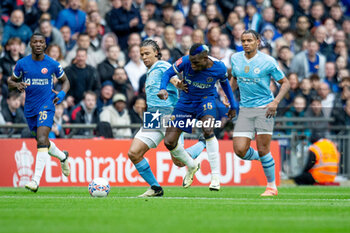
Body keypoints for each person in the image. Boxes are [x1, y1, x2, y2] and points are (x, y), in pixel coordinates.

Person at [128, 40, 207, 197]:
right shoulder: (149, 72)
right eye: (142, 54)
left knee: (178, 161)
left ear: (157, 53)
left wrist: (178, 84)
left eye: (147, 53)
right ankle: (155, 188)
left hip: (169, 114)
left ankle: (202, 143)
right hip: (153, 116)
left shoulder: (162, 65)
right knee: (134, 153)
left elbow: (174, 79)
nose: (144, 57)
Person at [158, 43, 237, 191]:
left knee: (208, 130)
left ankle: (215, 177)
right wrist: (162, 88)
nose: (192, 65)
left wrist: (233, 105)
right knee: (169, 142)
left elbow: (225, 84)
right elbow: (168, 73)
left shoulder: (219, 67)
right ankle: (192, 165)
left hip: (206, 100)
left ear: (205, 58)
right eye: (191, 61)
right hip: (186, 102)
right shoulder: (185, 61)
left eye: (196, 62)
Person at [7, 33, 71, 192]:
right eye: (35, 42)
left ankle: (35, 181)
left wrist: (61, 94)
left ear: (45, 45)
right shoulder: (22, 64)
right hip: (29, 108)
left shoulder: (52, 64)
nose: (38, 44)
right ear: (30, 44)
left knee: (42, 139)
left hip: (47, 105)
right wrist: (16, 85)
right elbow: (10, 82)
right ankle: (63, 157)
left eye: (41, 42)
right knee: (43, 142)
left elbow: (66, 82)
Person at [230, 30, 290, 196]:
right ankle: (265, 160)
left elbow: (285, 83)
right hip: (245, 109)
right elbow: (234, 79)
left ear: (258, 41)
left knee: (263, 148)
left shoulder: (268, 61)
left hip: (264, 109)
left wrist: (275, 102)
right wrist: (228, 96)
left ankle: (272, 187)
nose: (246, 43)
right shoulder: (235, 58)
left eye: (249, 40)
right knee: (239, 150)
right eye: (243, 41)